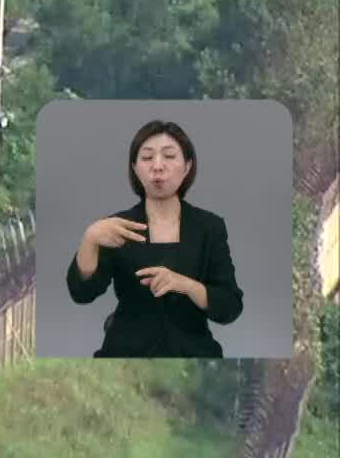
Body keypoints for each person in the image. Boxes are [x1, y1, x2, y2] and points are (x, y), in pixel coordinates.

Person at [66, 120, 244, 357]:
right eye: (147, 158)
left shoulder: (209, 227)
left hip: (192, 353)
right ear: (135, 167)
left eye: (169, 156)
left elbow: (229, 306)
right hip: (125, 353)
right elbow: (82, 293)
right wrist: (89, 240)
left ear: (188, 166)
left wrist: (185, 285)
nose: (157, 167)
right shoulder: (117, 226)